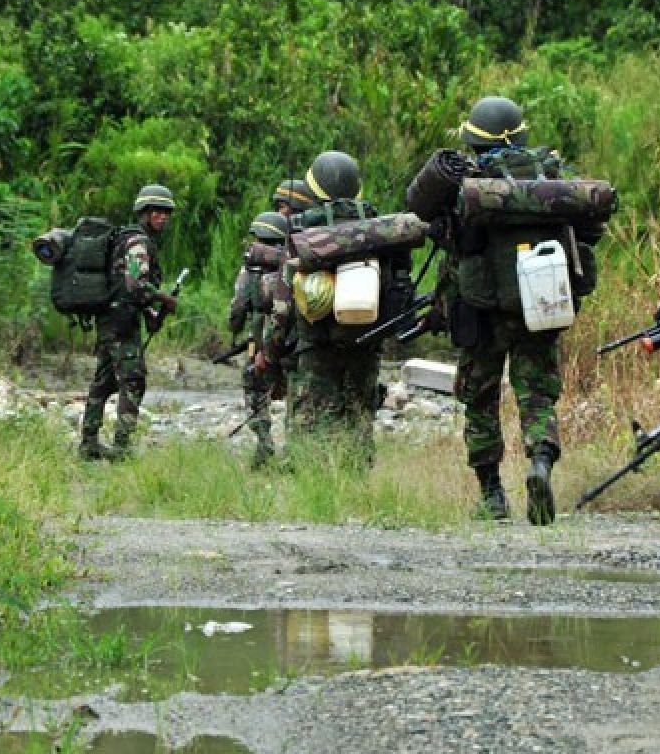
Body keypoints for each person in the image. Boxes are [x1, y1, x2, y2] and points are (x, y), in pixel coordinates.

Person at [429, 96, 597, 525]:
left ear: (475, 141)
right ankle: (540, 464)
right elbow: (588, 231)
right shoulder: (551, 178)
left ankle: (492, 496)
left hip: (483, 311)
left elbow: (448, 251)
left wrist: (439, 305)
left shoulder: (470, 185)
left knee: (480, 397)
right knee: (537, 394)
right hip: (541, 304)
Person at [260, 151, 402, 462]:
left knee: (310, 423)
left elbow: (282, 307)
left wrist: (269, 353)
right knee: (360, 415)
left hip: (315, 344)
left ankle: (313, 483)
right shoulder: (377, 230)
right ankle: (356, 481)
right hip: (366, 341)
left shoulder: (304, 233)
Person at [79, 184, 179, 460]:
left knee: (104, 379)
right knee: (133, 381)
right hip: (120, 322)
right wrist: (164, 299)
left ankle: (89, 441)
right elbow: (135, 285)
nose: (163, 217)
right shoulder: (138, 243)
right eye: (157, 212)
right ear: (144, 213)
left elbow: (127, 288)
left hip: (112, 318)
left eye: (166, 213)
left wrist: (151, 316)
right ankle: (121, 446)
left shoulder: (128, 240)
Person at [229, 210, 289, 466]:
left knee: (255, 389)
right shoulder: (291, 268)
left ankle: (264, 442)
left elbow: (237, 310)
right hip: (289, 343)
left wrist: (234, 328)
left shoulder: (248, 273)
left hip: (259, 345)